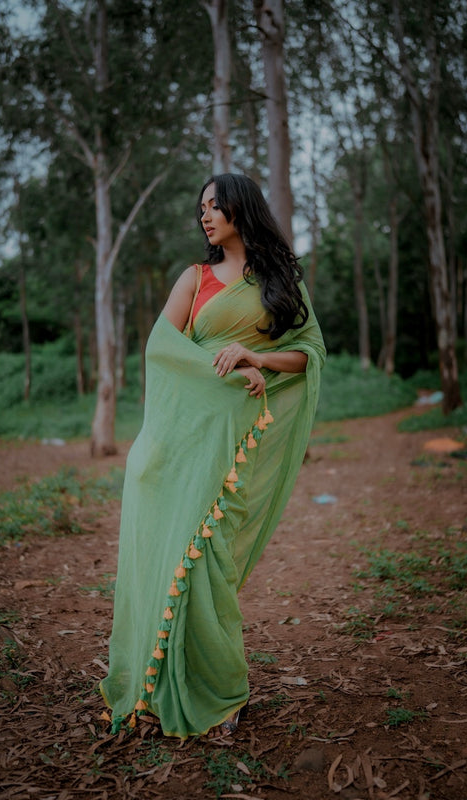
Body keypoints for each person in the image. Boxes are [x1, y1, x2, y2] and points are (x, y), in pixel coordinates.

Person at [100, 173, 326, 739]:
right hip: (172, 442)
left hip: (227, 445)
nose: (205, 216)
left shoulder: (279, 281)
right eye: (200, 208)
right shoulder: (194, 278)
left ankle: (221, 695)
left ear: (240, 210)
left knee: (208, 562)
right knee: (160, 561)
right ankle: (149, 693)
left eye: (215, 206)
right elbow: (161, 347)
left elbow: (308, 355)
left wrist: (255, 359)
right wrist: (221, 367)